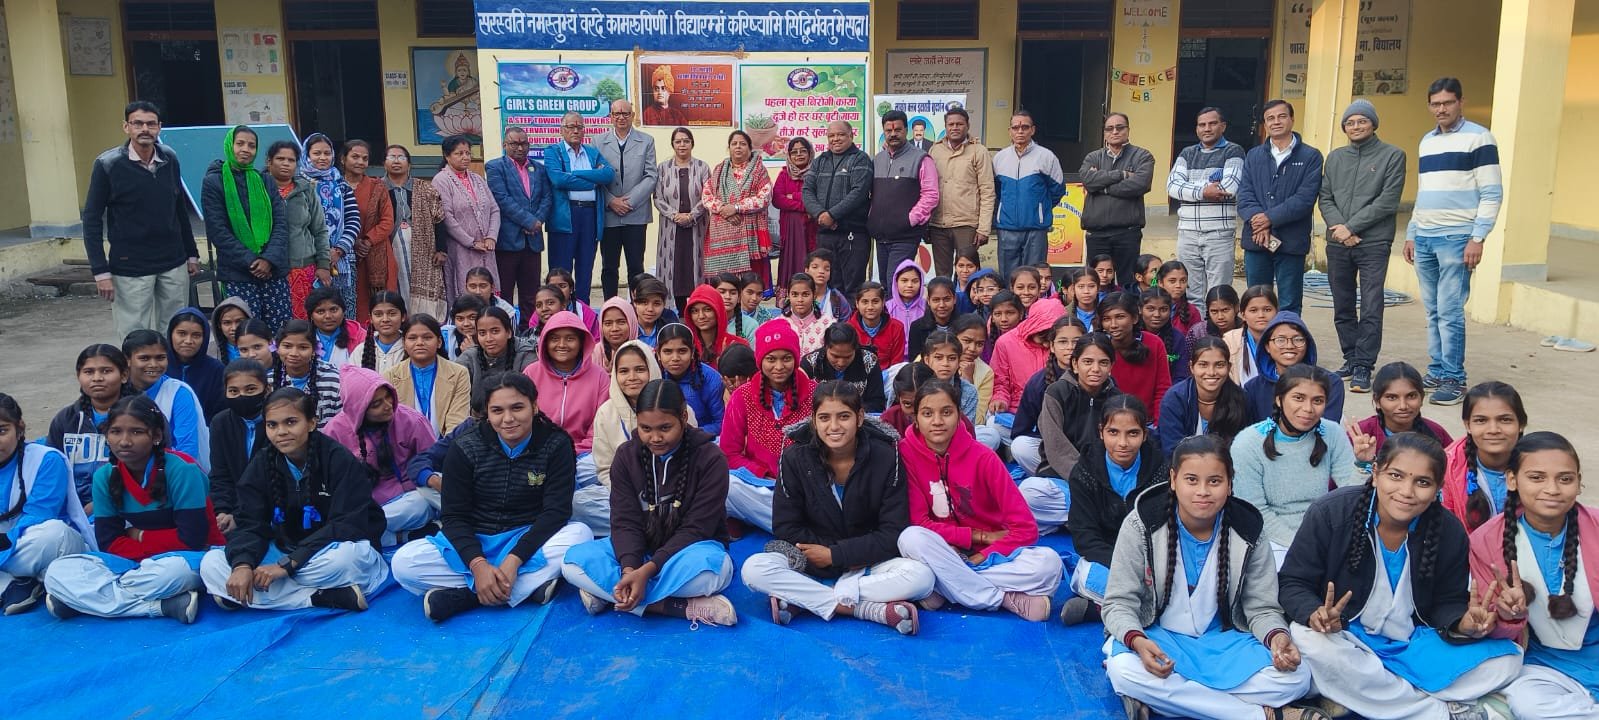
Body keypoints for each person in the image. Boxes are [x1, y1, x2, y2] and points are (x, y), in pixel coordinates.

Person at [1281, 432, 1522, 720]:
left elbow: (1446, 603)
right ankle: (1436, 711)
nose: (1406, 491)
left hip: (1413, 645)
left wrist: (1462, 622)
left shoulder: (1449, 531)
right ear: (1375, 473)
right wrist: (1314, 614)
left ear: (1437, 489)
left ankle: (1368, 695)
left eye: (1422, 482)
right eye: (1395, 476)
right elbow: (1293, 582)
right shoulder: (1331, 512)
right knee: (1308, 640)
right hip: (1345, 638)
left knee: (1509, 659)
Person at [1101, 435, 1317, 719]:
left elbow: (1261, 607)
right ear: (1173, 479)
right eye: (1191, 480)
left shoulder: (1248, 528)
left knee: (1297, 677)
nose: (1203, 491)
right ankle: (1259, 715)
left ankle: (1163, 700)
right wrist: (1138, 642)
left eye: (1214, 481)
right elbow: (1118, 603)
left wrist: (1277, 638)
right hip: (1160, 637)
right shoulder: (1142, 523)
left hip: (1225, 642)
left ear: (1230, 484)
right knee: (1124, 669)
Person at [390, 373, 594, 622]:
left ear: (534, 406)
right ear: (487, 412)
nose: (508, 419)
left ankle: (467, 597)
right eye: (497, 410)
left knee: (581, 534)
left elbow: (556, 512)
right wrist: (477, 564)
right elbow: (454, 516)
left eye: (517, 407)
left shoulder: (556, 443)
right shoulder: (466, 446)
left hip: (527, 538)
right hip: (476, 539)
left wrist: (513, 560)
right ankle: (525, 588)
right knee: (404, 564)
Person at [743, 381, 933, 634]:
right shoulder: (795, 458)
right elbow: (786, 527)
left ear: (860, 417)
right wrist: (823, 556)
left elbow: (893, 531)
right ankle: (867, 609)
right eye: (824, 417)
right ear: (813, 420)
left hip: (870, 562)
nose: (834, 427)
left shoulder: (886, 457)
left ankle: (809, 600)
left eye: (844, 416)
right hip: (812, 561)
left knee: (921, 577)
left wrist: (837, 555)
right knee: (754, 569)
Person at [561, 379, 737, 625]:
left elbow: (698, 528)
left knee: (712, 571)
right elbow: (625, 521)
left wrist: (649, 570)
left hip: (687, 552)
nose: (655, 438)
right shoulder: (626, 456)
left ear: (684, 418)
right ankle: (674, 607)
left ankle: (616, 594)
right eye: (645, 428)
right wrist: (631, 569)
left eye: (665, 428)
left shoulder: (710, 458)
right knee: (572, 562)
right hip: (639, 553)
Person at [201, 388, 387, 612]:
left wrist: (290, 564)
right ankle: (320, 597)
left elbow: (347, 524)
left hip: (325, 552)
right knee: (211, 565)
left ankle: (258, 596)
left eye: (290, 422)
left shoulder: (337, 459)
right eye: (272, 425)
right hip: (283, 550)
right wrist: (242, 564)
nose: (281, 432)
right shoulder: (263, 463)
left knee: (345, 560)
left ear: (311, 423)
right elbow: (250, 522)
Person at [42, 396, 225, 623]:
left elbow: (193, 539)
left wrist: (140, 535)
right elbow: (109, 543)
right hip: (135, 564)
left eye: (136, 432)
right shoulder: (105, 477)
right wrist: (146, 552)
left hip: (190, 558)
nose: (124, 441)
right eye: (116, 432)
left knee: (168, 574)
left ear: (156, 436)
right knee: (57, 572)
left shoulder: (182, 470)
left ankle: (83, 600)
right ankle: (161, 606)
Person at [896, 380, 1063, 621]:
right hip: (943, 549)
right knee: (910, 539)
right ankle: (1005, 599)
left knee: (1049, 565)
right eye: (927, 413)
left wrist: (982, 554)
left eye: (946, 412)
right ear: (916, 419)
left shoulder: (983, 457)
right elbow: (919, 523)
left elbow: (1026, 529)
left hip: (989, 558)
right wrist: (977, 536)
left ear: (959, 415)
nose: (937, 422)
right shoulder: (907, 454)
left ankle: (944, 587)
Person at [1467, 432, 1599, 719]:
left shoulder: (1596, 527)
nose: (1552, 489)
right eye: (1537, 477)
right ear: (1512, 480)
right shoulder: (1487, 540)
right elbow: (1494, 632)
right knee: (1528, 703)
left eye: (1565, 479)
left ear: (1578, 482)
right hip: (1546, 668)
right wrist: (1507, 615)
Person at [1406, 78, 1502, 406]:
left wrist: (1478, 238)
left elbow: (1492, 193)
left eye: (1447, 102)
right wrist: (1411, 233)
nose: (1441, 109)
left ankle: (1454, 378)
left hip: (1457, 238)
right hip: (1426, 237)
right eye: (1435, 104)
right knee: (1432, 309)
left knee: (1450, 311)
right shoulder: (1427, 141)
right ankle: (1436, 368)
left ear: (1461, 102)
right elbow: (1424, 193)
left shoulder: (1479, 138)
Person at [82, 101, 199, 339]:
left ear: (159, 128)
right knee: (135, 334)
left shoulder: (170, 158)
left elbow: (178, 208)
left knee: (176, 331)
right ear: (126, 127)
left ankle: (172, 376)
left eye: (151, 124)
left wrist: (192, 252)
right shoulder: (108, 164)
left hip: (173, 260)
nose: (144, 129)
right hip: (130, 265)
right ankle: (137, 377)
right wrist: (100, 271)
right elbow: (92, 219)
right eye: (138, 123)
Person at [1056, 395, 1168, 624]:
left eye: (1133, 433)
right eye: (1114, 432)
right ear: (1101, 432)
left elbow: (1165, 529)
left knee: (1173, 583)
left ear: (1145, 434)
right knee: (1086, 578)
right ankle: (1154, 611)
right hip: (1107, 561)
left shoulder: (1161, 471)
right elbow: (1085, 537)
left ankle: (1098, 610)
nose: (1122, 443)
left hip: (1151, 563)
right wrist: (1124, 567)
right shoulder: (1085, 473)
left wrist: (1146, 568)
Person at [1320, 99, 1407, 393]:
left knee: (1371, 304)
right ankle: (1350, 356)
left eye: (1362, 121)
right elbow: (1326, 197)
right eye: (1350, 122)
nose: (1355, 127)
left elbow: (1387, 200)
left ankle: (1363, 366)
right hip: (1338, 242)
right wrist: (1341, 231)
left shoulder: (1393, 156)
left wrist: (1352, 227)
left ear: (1373, 124)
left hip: (1373, 242)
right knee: (1342, 303)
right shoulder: (1335, 158)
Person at [1233, 365, 1362, 562]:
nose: (1308, 409)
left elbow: (1352, 497)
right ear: (1279, 399)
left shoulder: (1332, 432)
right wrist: (1303, 545)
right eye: (1298, 398)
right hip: (1272, 539)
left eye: (1317, 401)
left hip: (1325, 532)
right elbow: (1255, 511)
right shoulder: (1248, 442)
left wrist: (1363, 463)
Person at [720, 319, 816, 535]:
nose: (779, 367)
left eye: (787, 358)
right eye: (771, 359)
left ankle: (788, 527)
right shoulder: (742, 396)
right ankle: (797, 530)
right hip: (762, 486)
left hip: (807, 485)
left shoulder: (815, 394)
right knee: (726, 486)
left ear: (796, 359)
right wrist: (763, 475)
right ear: (760, 360)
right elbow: (729, 453)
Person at [325, 365, 439, 547]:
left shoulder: (411, 419)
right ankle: (400, 537)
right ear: (358, 409)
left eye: (388, 397)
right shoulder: (334, 431)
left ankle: (366, 535)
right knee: (345, 519)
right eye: (376, 404)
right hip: (363, 506)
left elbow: (435, 461)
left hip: (408, 500)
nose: (388, 406)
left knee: (422, 504)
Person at [0, 394, 94, 614]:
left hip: (34, 542)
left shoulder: (47, 460)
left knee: (53, 534)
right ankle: (24, 581)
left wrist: (4, 542)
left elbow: (39, 516)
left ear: (20, 429)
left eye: (2, 431)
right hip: (13, 553)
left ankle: (16, 581)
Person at [590, 340, 702, 523]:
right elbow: (604, 468)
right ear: (615, 375)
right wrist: (631, 494)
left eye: (640, 369)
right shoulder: (605, 413)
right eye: (624, 371)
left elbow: (692, 456)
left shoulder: (681, 409)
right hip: (628, 493)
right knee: (579, 502)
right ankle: (653, 521)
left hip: (674, 491)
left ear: (652, 370)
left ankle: (653, 521)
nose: (632, 377)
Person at [1236, 100, 1324, 315]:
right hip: (1257, 238)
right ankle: (1258, 346)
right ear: (1265, 124)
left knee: (1289, 302)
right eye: (1270, 118)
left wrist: (1269, 218)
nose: (1276, 122)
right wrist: (1259, 221)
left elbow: (1304, 198)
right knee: (1256, 301)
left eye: (1281, 116)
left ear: (1292, 119)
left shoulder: (1310, 156)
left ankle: (1287, 345)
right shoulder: (1254, 155)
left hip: (1291, 240)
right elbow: (1245, 193)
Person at [203, 125, 291, 331]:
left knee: (280, 333)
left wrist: (268, 260)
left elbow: (280, 222)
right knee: (246, 333)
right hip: (238, 273)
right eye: (240, 143)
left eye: (252, 145)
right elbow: (218, 230)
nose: (246, 149)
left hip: (273, 272)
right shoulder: (214, 182)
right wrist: (252, 261)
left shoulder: (264, 180)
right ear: (229, 145)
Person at [1166, 107, 1246, 304]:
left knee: (1219, 293)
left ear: (1223, 126)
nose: (1207, 128)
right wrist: (1204, 191)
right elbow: (1172, 187)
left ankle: (1215, 335)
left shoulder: (1233, 151)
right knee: (1191, 294)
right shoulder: (1187, 153)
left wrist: (1190, 188)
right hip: (1187, 232)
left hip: (1218, 233)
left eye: (1212, 123)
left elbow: (1228, 188)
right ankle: (1196, 334)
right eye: (1202, 124)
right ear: (1197, 129)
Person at [544, 112, 616, 304]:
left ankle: (582, 310)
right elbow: (558, 179)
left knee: (585, 268)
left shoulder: (592, 152)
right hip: (565, 217)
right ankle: (558, 311)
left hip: (590, 215)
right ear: (562, 130)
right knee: (560, 271)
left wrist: (575, 174)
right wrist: (593, 180)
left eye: (580, 127)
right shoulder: (553, 152)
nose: (576, 131)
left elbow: (608, 175)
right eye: (571, 127)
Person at [50, 346, 134, 509]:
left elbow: (152, 467)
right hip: (73, 506)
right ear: (78, 376)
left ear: (124, 375)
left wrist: (100, 503)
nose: (97, 378)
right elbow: (53, 470)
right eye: (88, 372)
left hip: (125, 504)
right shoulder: (66, 419)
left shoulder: (142, 415)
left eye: (106, 371)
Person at [485, 127, 554, 322]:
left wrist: (537, 221)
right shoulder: (495, 167)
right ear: (505, 145)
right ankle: (507, 331)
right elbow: (502, 198)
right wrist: (529, 221)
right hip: (507, 240)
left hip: (533, 240)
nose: (520, 147)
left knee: (531, 294)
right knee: (504, 293)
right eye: (514, 143)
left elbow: (547, 198)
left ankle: (529, 330)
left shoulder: (539, 168)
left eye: (524, 143)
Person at [592, 101, 658, 300]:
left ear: (633, 115)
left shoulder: (646, 140)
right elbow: (595, 177)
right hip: (609, 214)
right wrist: (611, 201)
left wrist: (628, 201)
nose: (621, 117)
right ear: (610, 116)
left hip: (635, 214)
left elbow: (651, 175)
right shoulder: (597, 141)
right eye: (617, 113)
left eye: (625, 113)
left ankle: (637, 308)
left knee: (636, 266)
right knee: (609, 266)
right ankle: (610, 307)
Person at [1080, 113, 1155, 289]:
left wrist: (1103, 186)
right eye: (1109, 128)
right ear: (1104, 133)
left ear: (1128, 130)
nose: (1115, 132)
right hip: (1096, 233)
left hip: (1127, 233)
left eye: (1120, 127)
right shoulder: (1093, 157)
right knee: (1095, 283)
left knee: (1127, 283)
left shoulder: (1142, 156)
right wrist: (1121, 175)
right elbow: (1087, 180)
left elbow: (1140, 184)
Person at [1441, 381, 1527, 532]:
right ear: (1468, 425)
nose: (1493, 430)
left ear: (1521, 424)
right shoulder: (1448, 466)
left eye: (1505, 420)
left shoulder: (1540, 463)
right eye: (1481, 420)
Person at [262, 141, 333, 323]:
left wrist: (323, 264)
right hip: (269, 271)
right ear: (269, 162)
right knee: (275, 324)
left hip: (303, 270)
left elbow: (319, 229)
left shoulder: (305, 190)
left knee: (304, 324)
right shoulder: (258, 189)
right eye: (280, 159)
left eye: (291, 160)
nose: (286, 163)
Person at [524, 311, 608, 460]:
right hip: (537, 452)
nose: (562, 345)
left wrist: (572, 452)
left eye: (570, 339)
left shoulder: (599, 377)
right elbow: (523, 419)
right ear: (545, 341)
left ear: (582, 342)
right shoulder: (531, 373)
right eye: (554, 339)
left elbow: (600, 427)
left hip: (584, 454)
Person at [868, 110, 940, 285]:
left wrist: (910, 219)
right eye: (888, 131)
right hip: (881, 236)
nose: (893, 134)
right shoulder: (877, 160)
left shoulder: (921, 159)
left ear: (906, 130)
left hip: (905, 236)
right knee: (884, 283)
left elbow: (931, 195)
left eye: (898, 130)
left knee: (896, 282)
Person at [803, 121, 874, 296]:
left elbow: (859, 192)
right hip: (825, 235)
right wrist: (821, 214)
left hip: (853, 235)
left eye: (841, 134)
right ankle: (830, 323)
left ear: (851, 136)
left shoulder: (860, 159)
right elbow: (807, 190)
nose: (836, 139)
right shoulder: (820, 161)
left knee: (852, 287)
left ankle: (850, 323)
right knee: (827, 287)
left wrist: (833, 215)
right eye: (831, 136)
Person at [992, 110, 1066, 280]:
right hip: (1007, 228)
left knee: (1034, 277)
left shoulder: (1046, 156)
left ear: (1032, 130)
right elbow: (997, 190)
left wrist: (1039, 208)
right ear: (1009, 131)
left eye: (1025, 127)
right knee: (1008, 278)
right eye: (1015, 127)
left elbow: (1057, 190)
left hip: (1036, 230)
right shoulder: (999, 158)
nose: (1020, 131)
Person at [123, 329, 210, 471]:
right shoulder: (117, 390)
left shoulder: (178, 392)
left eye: (160, 358)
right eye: (144, 358)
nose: (154, 364)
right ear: (127, 360)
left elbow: (187, 449)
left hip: (173, 474)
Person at [926, 107, 995, 280]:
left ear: (967, 126)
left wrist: (984, 228)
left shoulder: (979, 151)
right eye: (951, 124)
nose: (955, 127)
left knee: (967, 274)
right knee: (942, 275)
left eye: (959, 124)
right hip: (938, 224)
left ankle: (969, 306)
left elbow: (987, 191)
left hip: (966, 224)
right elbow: (927, 188)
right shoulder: (935, 151)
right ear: (945, 126)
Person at [1011, 316, 1085, 475]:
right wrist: (1051, 441)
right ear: (1052, 346)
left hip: (1088, 450)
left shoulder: (1095, 375)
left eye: (1077, 341)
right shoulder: (1038, 382)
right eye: (1063, 342)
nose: (1070, 348)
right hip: (1051, 448)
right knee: (1020, 445)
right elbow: (1020, 430)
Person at [1243, 311, 1347, 423]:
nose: (1289, 346)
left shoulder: (1331, 383)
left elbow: (1327, 430)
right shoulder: (1253, 388)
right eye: (1280, 340)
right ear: (1267, 346)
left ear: (1308, 344)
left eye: (1298, 340)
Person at [434, 135, 500, 305]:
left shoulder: (477, 179)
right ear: (447, 156)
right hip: (461, 248)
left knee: (487, 291)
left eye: (468, 153)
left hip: (486, 248)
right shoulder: (441, 180)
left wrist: (491, 237)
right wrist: (471, 242)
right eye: (459, 153)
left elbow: (494, 209)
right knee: (465, 294)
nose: (465, 157)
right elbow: (446, 216)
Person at [299, 133, 361, 315]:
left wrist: (339, 249)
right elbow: (300, 224)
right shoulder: (300, 185)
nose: (322, 158)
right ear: (306, 155)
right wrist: (322, 257)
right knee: (315, 311)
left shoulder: (341, 184)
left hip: (342, 259)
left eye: (327, 153)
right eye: (317, 153)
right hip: (310, 259)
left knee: (344, 310)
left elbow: (353, 219)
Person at [383, 145, 447, 319]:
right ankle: (401, 321)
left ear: (409, 164)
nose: (396, 161)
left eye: (401, 157)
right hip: (390, 247)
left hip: (424, 248)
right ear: (384, 163)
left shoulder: (425, 188)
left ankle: (425, 322)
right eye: (392, 157)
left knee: (425, 286)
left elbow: (439, 219)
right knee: (397, 283)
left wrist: (441, 250)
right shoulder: (378, 188)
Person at [207, 359, 270, 534]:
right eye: (233, 391)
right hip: (231, 513)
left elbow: (272, 480)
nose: (241, 396)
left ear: (266, 389)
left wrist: (239, 516)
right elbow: (220, 475)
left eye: (250, 389)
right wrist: (222, 511)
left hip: (271, 512)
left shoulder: (275, 422)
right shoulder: (220, 423)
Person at [1158, 335, 1251, 452]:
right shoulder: (1174, 399)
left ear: (1229, 367)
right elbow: (1172, 450)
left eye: (1219, 365)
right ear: (1192, 367)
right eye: (1203, 365)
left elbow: (1244, 448)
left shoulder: (1241, 399)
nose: (1211, 372)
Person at [384, 314, 471, 437]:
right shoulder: (391, 376)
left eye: (427, 337)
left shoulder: (458, 373)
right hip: (405, 449)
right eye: (412, 338)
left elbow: (457, 421)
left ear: (439, 342)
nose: (420, 343)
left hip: (447, 448)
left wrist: (441, 451)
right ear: (404, 343)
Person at [654, 128, 712, 310]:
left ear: (692, 143)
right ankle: (676, 310)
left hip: (697, 227)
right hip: (671, 228)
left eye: (686, 141)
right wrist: (675, 215)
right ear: (672, 144)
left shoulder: (702, 167)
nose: (682, 145)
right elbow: (657, 198)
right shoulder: (663, 168)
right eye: (678, 141)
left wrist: (692, 216)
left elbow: (708, 195)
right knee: (674, 268)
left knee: (696, 266)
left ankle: (699, 306)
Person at [702, 130, 772, 279]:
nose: (738, 147)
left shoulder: (759, 170)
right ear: (729, 148)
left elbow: (764, 197)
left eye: (742, 144)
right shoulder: (719, 170)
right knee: (724, 282)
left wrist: (736, 208)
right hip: (723, 233)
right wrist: (724, 210)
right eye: (734, 144)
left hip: (749, 233)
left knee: (750, 281)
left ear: (750, 148)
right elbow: (707, 196)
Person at [1352, 362, 1454, 460]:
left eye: (1411, 396)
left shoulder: (1436, 433)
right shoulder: (1360, 435)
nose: (1403, 406)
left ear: (1422, 398)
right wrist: (1363, 463)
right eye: (1392, 397)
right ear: (1377, 401)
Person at [340, 140, 395, 321]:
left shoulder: (377, 187)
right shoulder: (333, 187)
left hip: (376, 253)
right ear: (343, 159)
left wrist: (367, 241)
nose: (360, 162)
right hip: (344, 255)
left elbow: (387, 221)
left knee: (381, 305)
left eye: (364, 158)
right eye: (355, 157)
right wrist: (350, 243)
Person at [1097, 291, 1172, 417]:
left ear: (1135, 318)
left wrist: (1158, 424)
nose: (1113, 325)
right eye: (1107, 319)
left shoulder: (1154, 343)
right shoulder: (1098, 347)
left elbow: (1162, 389)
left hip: (1148, 423)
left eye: (1120, 317)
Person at [990, 295, 1067, 416]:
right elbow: (1000, 382)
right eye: (1042, 337)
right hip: (1016, 411)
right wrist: (1000, 399)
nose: (1046, 345)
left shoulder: (1068, 345)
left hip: (1058, 413)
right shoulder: (1006, 343)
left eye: (1051, 339)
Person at [265, 320, 344, 427]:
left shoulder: (333, 379)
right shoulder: (269, 382)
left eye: (303, 347)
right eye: (287, 346)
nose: (294, 353)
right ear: (277, 348)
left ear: (314, 350)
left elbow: (342, 425)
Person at [656, 323, 725, 437]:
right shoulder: (654, 376)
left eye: (682, 351)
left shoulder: (711, 379)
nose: (675, 358)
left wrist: (686, 435)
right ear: (658, 354)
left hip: (702, 441)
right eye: (668, 352)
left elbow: (721, 423)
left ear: (692, 352)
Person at [800, 323, 886, 414]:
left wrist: (850, 414)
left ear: (855, 349)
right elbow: (802, 403)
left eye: (848, 357)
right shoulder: (810, 363)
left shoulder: (869, 361)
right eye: (835, 356)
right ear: (826, 347)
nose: (841, 363)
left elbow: (877, 402)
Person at [774, 137, 820, 298]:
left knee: (812, 262)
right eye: (794, 152)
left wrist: (792, 195)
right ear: (789, 155)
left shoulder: (817, 173)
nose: (798, 155)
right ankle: (789, 301)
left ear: (810, 153)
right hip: (791, 232)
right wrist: (804, 205)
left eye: (803, 151)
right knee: (791, 263)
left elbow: (819, 197)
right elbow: (778, 199)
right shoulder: (784, 175)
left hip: (812, 230)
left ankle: (812, 299)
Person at [165, 308, 225, 422]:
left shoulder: (216, 370)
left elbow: (219, 413)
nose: (188, 340)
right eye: (182, 334)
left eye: (196, 335)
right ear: (170, 334)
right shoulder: (160, 366)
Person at [458, 307, 537, 391]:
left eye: (495, 331)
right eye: (482, 333)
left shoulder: (526, 356)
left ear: (509, 332)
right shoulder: (469, 358)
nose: (489, 339)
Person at [1226, 285, 1279, 387]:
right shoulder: (1230, 341)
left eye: (1267, 310)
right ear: (1243, 315)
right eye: (1253, 310)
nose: (1261, 315)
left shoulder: (1286, 340)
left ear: (1276, 312)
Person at [684, 284, 745, 370]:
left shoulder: (737, 345)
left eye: (707, 309)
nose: (701, 316)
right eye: (695, 311)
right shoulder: (684, 346)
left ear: (718, 310)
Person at [304, 286, 366, 368]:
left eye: (333, 310)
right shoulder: (303, 337)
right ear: (311, 316)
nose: (328, 316)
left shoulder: (361, 337)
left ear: (343, 311)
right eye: (320, 311)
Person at [349, 292, 409, 373]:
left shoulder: (410, 348)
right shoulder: (360, 351)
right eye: (378, 314)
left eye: (392, 314)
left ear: (403, 317)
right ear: (371, 318)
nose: (385, 319)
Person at [1140, 288, 1189, 384]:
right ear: (1140, 309)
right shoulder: (1132, 336)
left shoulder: (1178, 338)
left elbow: (1180, 376)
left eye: (1163, 309)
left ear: (1171, 311)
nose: (1157, 315)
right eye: (1150, 309)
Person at [907, 277, 960, 364]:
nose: (942, 305)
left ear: (954, 299)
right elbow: (915, 361)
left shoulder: (964, 326)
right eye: (936, 300)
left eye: (947, 299)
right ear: (928, 301)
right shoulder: (917, 327)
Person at [783, 273, 835, 357]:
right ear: (788, 295)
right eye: (795, 294)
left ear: (814, 295)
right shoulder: (778, 324)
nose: (800, 300)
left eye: (805, 294)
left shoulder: (828, 324)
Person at [727, 270, 780, 345]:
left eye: (759, 294)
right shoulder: (730, 313)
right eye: (750, 292)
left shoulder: (766, 316)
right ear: (740, 291)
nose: (754, 298)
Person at [591, 296, 639, 369]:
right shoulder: (593, 354)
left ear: (632, 323)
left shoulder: (645, 353)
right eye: (608, 323)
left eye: (621, 322)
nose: (614, 329)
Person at [1189, 284, 1240, 352]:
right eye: (1214, 311)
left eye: (1225, 310)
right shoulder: (1198, 332)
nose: (1220, 317)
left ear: (1236, 307)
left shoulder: (1247, 331)